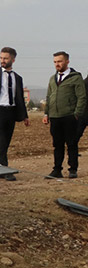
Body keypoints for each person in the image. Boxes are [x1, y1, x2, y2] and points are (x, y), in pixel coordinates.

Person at [43, 51, 86, 179]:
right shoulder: (52, 79)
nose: (57, 64)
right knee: (57, 144)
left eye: (59, 61)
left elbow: (82, 97)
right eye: (55, 62)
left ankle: (73, 169)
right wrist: (46, 113)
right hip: (55, 117)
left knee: (71, 144)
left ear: (67, 61)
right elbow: (49, 96)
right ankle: (57, 170)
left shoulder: (76, 78)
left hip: (69, 117)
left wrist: (76, 114)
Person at [0, 47, 30, 181]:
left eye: (5, 58)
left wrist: (25, 116)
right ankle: (5, 170)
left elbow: (19, 99)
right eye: (1, 58)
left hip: (11, 113)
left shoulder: (18, 78)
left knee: (6, 142)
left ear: (13, 59)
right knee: (1, 141)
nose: (2, 61)